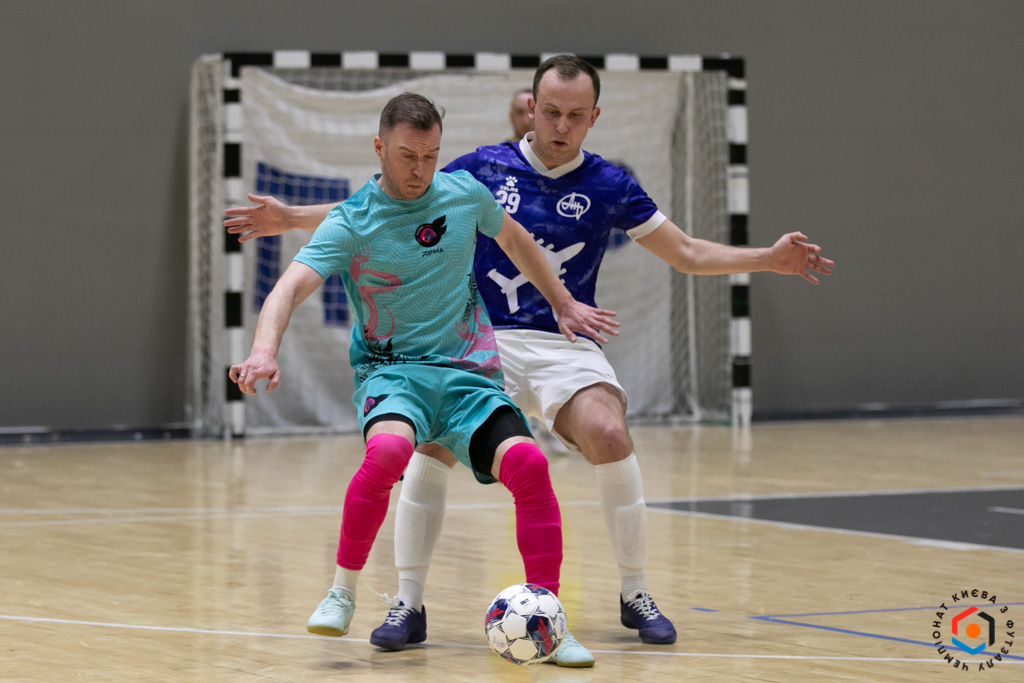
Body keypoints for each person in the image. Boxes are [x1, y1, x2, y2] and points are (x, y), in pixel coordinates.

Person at [225, 56, 834, 668]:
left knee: (605, 434)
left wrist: (766, 258)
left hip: (560, 338)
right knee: (423, 450)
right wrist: (291, 220)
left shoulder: (609, 184)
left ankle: (632, 593)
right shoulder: (479, 169)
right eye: (550, 112)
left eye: (575, 115)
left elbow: (687, 252)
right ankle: (405, 602)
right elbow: (387, 205)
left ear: (594, 117)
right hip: (475, 344)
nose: (561, 125)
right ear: (529, 108)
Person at [227, 92, 619, 659]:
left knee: (531, 465)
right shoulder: (351, 220)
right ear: (380, 147)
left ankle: (549, 622)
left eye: (431, 156)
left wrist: (562, 302)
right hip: (393, 375)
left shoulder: (464, 195)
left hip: (467, 377)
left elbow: (516, 240)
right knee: (388, 453)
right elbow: (287, 289)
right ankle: (342, 592)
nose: (420, 170)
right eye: (408, 156)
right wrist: (263, 351)